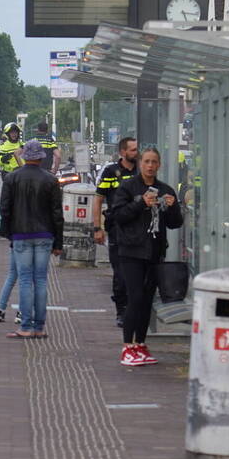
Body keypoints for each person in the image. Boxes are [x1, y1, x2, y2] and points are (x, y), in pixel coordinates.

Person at [109, 147, 183, 366]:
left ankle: (140, 343)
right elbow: (118, 216)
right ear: (141, 163)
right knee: (136, 298)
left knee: (148, 300)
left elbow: (174, 223)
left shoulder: (165, 189)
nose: (150, 166)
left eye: (154, 162)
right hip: (131, 251)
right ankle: (127, 347)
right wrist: (140, 203)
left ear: (159, 165)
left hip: (154, 252)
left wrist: (173, 206)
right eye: (147, 161)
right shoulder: (127, 187)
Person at [0, 140, 64, 340]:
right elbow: (57, 213)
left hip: (20, 234)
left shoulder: (12, 178)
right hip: (45, 235)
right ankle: (40, 326)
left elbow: (5, 209)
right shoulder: (51, 180)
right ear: (42, 158)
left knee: (25, 280)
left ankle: (25, 326)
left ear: (25, 156)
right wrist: (58, 242)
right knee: (41, 280)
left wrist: (8, 233)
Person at [93, 137, 139, 328]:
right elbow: (98, 199)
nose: (136, 153)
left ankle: (134, 308)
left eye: (137, 149)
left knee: (137, 272)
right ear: (123, 152)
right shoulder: (111, 172)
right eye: (133, 150)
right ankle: (121, 310)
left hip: (138, 229)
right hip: (117, 228)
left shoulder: (140, 171)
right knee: (120, 272)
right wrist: (97, 227)